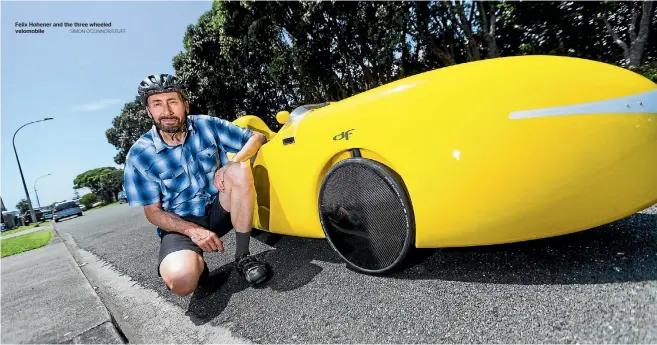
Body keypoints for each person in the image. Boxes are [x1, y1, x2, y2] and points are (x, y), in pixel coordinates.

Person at [123, 73, 271, 297]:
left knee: (238, 170)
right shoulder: (139, 155)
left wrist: (233, 162)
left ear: (185, 104)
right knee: (182, 282)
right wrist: (192, 231)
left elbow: (256, 137)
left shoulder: (206, 124)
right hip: (181, 225)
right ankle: (195, 267)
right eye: (157, 104)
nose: (166, 111)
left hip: (219, 207)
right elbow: (152, 212)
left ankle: (243, 256)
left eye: (173, 101)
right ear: (149, 111)